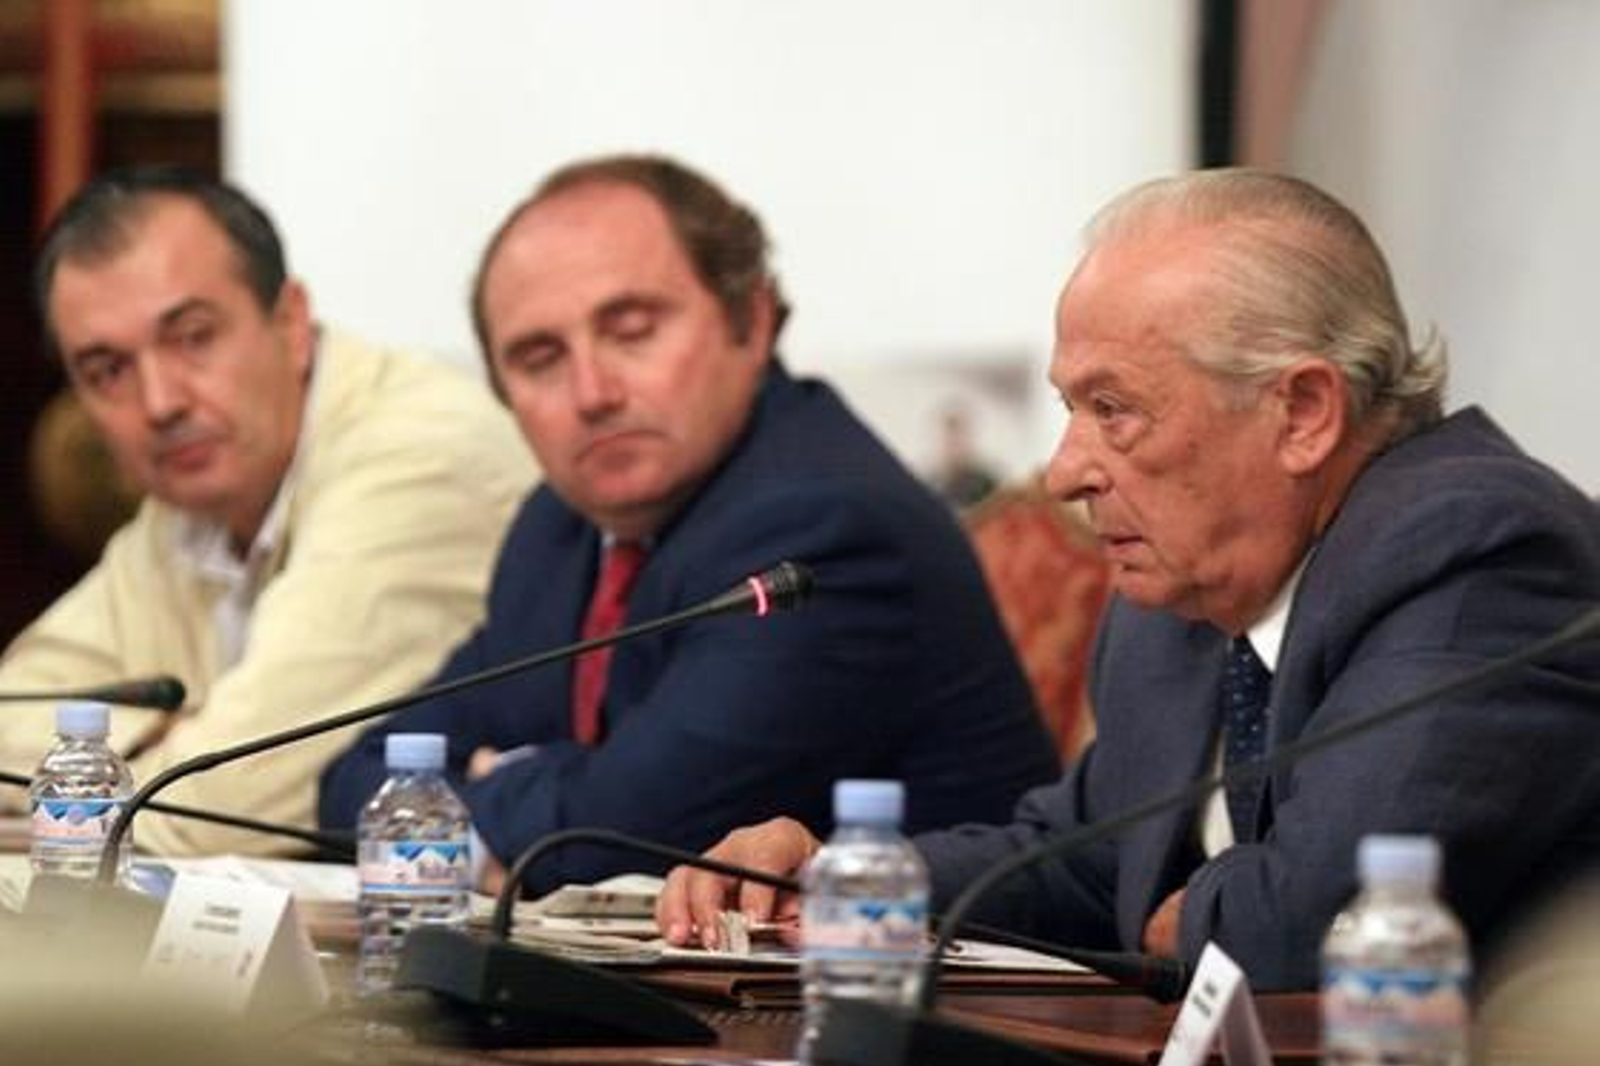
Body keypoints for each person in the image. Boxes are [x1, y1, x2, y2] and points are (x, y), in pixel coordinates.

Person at [656, 168, 1600, 991]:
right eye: (1072, 408)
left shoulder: (1481, 551)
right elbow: (1080, 860)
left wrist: (1182, 915)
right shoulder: (1185, 591)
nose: (1065, 472)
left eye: (1114, 410)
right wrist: (845, 880)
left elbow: (1316, 929)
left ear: (1304, 412)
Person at [317, 155, 1060, 890]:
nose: (593, 392)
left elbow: (611, 842)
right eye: (541, 358)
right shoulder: (558, 528)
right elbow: (360, 783)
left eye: (633, 331)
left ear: (752, 320)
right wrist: (547, 785)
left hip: (902, 964)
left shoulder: (827, 526)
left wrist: (497, 778)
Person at [0, 167, 536, 855]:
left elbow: (216, 812)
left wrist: (101, 767)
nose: (160, 402)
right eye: (108, 370)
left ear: (291, 324)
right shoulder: (192, 503)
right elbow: (13, 711)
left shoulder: (423, 456)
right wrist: (160, 742)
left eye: (193, 337)